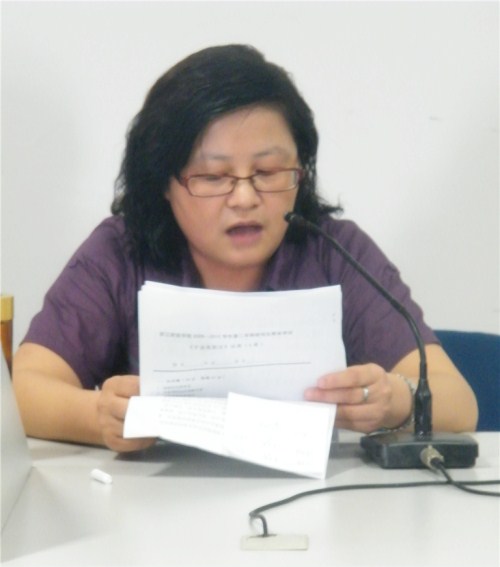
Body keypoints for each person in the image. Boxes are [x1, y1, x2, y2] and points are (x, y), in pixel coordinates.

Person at [12, 44, 478, 452]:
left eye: (268, 172)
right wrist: (99, 417)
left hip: (313, 509)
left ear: (301, 171)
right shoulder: (122, 251)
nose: (244, 198)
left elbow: (458, 401)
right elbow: (24, 389)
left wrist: (394, 401)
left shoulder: (333, 251)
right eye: (214, 177)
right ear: (164, 184)